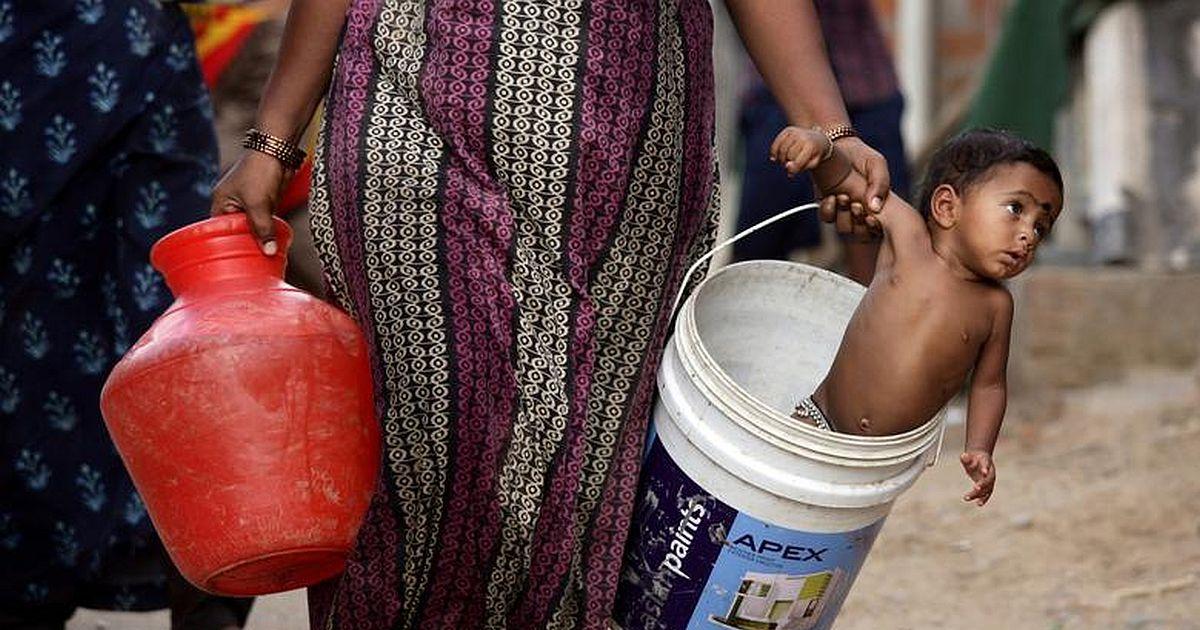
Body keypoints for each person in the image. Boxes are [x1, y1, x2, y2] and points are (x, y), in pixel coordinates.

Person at [210, 1, 892, 628]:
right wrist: (273, 142)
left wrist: (828, 130)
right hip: (414, 118)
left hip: (630, 152)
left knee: (581, 473)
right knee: (431, 460)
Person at [0, 1, 252, 628]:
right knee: (142, 312)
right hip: (89, 54)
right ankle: (206, 573)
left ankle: (211, 570)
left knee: (174, 307)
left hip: (131, 53)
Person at [774, 127, 1064, 507]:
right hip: (818, 423)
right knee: (770, 502)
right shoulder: (908, 237)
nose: (1028, 235)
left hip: (882, 463)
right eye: (1016, 209)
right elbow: (848, 181)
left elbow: (989, 385)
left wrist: (980, 447)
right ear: (947, 207)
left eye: (1041, 227)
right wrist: (823, 150)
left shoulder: (995, 306)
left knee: (835, 534)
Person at [732, 0, 909, 285]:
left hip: (864, 80)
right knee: (758, 253)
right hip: (776, 91)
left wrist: (836, 133)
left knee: (878, 241)